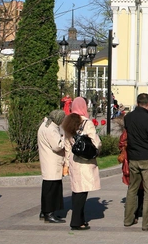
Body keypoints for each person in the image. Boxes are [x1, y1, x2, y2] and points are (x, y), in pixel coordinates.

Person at [123, 93, 148, 231]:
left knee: (132, 189)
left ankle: (128, 219)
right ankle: (146, 223)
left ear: (137, 102)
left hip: (133, 157)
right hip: (147, 158)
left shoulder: (128, 117)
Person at [62, 97, 101, 231]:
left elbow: (67, 146)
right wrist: (97, 148)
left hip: (74, 160)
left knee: (77, 190)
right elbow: (95, 142)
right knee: (82, 192)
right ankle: (76, 221)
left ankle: (80, 219)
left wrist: (66, 164)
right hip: (85, 161)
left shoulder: (68, 122)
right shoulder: (86, 122)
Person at [37, 109, 67, 223]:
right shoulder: (51, 129)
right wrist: (64, 137)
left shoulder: (46, 125)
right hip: (52, 162)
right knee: (51, 189)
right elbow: (57, 146)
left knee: (48, 188)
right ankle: (49, 213)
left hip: (48, 161)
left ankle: (44, 211)